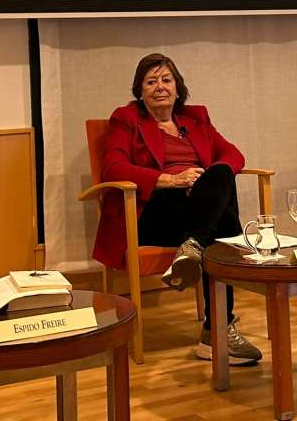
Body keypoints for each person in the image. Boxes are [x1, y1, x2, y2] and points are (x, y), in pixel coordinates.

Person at [92, 53, 262, 365]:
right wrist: (170, 180)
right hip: (151, 212)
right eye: (151, 81)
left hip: (196, 212)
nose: (160, 87)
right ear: (140, 91)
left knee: (222, 174)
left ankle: (193, 246)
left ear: (177, 86)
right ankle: (217, 331)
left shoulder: (196, 118)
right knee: (221, 231)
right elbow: (112, 168)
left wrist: (205, 183)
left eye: (166, 80)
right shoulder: (127, 119)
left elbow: (234, 155)